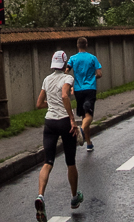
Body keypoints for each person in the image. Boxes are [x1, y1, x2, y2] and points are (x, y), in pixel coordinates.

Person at [35, 50, 83, 222]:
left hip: (49, 123)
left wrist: (52, 102)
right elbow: (64, 95)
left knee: (48, 162)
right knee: (70, 162)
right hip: (64, 122)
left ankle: (40, 196)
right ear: (64, 65)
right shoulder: (67, 78)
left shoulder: (47, 79)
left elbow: (39, 104)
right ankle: (74, 197)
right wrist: (72, 119)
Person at [69, 36, 102, 152]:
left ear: (78, 46)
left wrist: (70, 85)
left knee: (84, 116)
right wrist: (93, 76)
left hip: (78, 90)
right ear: (86, 45)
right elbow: (99, 73)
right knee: (89, 116)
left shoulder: (72, 59)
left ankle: (89, 143)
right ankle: (81, 130)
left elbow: (67, 70)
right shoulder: (92, 58)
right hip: (90, 88)